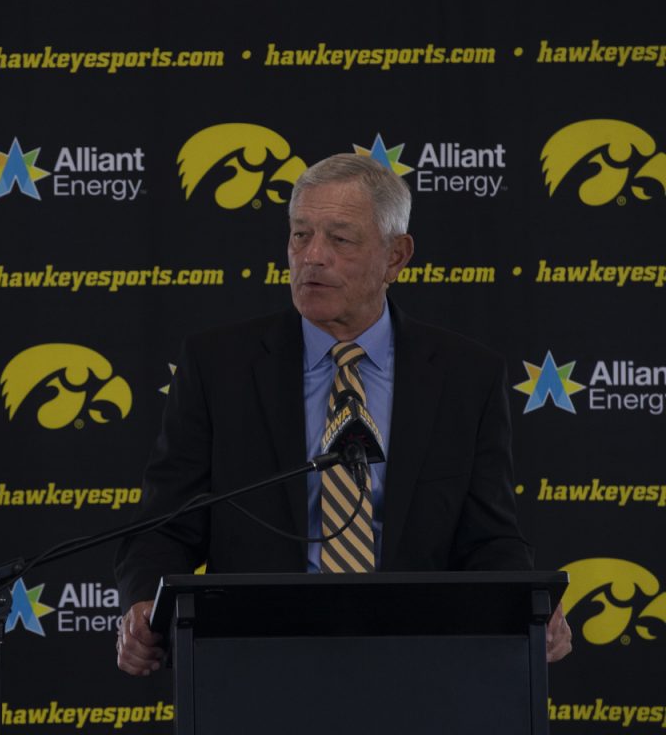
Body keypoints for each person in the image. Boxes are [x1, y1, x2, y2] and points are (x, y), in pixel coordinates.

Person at [113, 153, 571, 675]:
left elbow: (490, 539)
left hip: (419, 661)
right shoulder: (219, 366)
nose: (312, 257)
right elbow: (163, 528)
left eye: (340, 239)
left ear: (396, 256)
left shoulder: (467, 377)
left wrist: (531, 607)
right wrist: (142, 603)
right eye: (300, 235)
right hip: (253, 658)